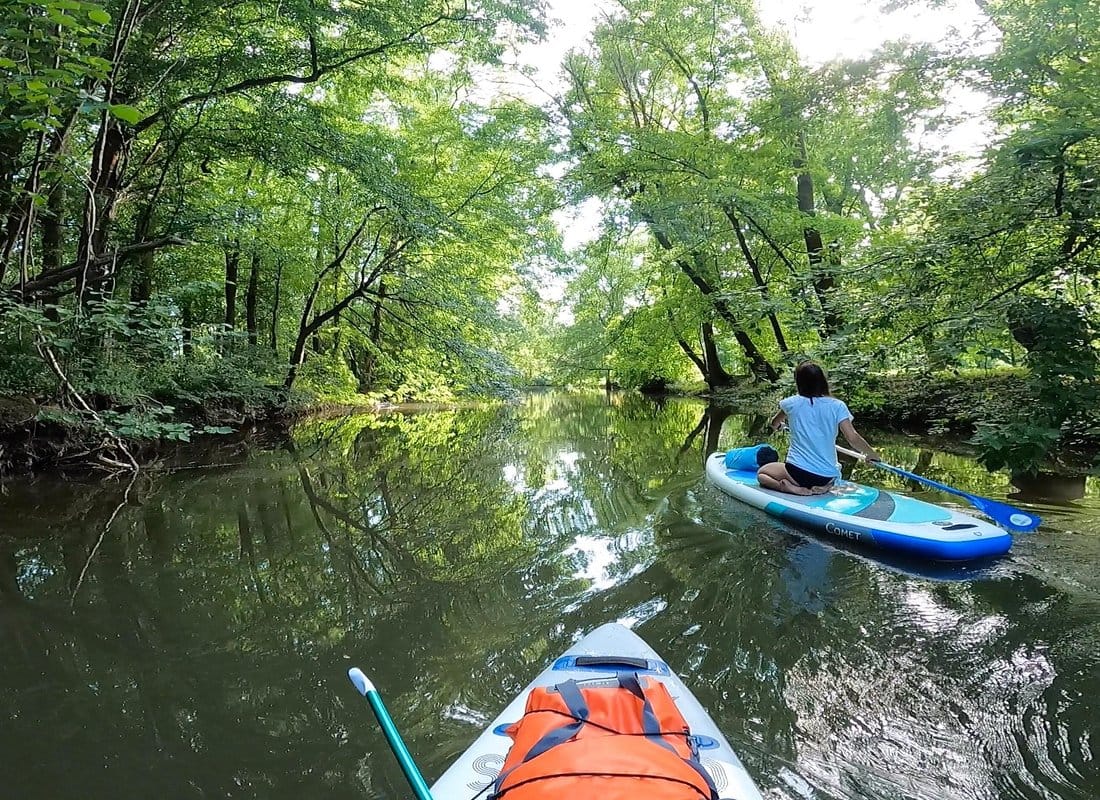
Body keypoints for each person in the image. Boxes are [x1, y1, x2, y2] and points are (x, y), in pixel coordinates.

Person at [758, 361, 880, 496]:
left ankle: (789, 488)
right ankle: (825, 486)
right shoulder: (838, 406)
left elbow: (774, 423)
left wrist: (778, 426)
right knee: (829, 472)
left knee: (762, 473)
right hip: (825, 476)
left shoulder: (790, 403)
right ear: (822, 381)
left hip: (797, 473)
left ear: (799, 382)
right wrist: (871, 453)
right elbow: (852, 437)